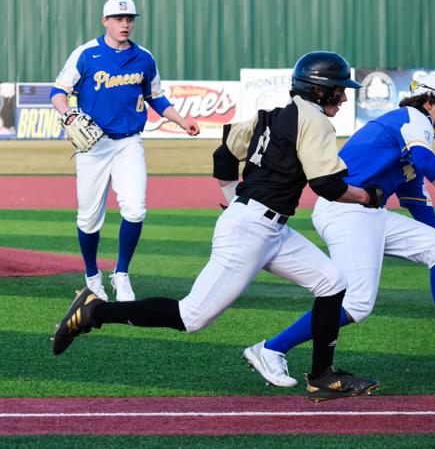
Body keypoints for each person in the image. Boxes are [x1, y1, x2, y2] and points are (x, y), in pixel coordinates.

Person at [52, 51, 383, 403]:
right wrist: (368, 197)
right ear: (319, 91)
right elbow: (327, 186)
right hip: (252, 229)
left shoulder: (267, 117)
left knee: (333, 283)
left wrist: (233, 198)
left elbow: (223, 154)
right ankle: (94, 311)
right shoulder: (315, 121)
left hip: (266, 227)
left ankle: (322, 377)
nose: (343, 97)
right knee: (191, 316)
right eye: (338, 90)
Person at [246, 71, 435, 387]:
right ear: (429, 103)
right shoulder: (413, 119)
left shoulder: (407, 156)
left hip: (369, 213)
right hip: (346, 209)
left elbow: (426, 217)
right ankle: (270, 349)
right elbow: (427, 160)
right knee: (356, 303)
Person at [50, 0, 200, 302]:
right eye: (118, 19)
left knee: (135, 209)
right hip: (93, 145)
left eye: (129, 18)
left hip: (129, 142)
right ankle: (92, 276)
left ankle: (121, 274)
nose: (125, 24)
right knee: (89, 218)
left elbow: (156, 97)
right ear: (105, 21)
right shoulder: (86, 54)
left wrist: (182, 120)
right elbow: (57, 93)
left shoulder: (144, 58)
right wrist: (67, 114)